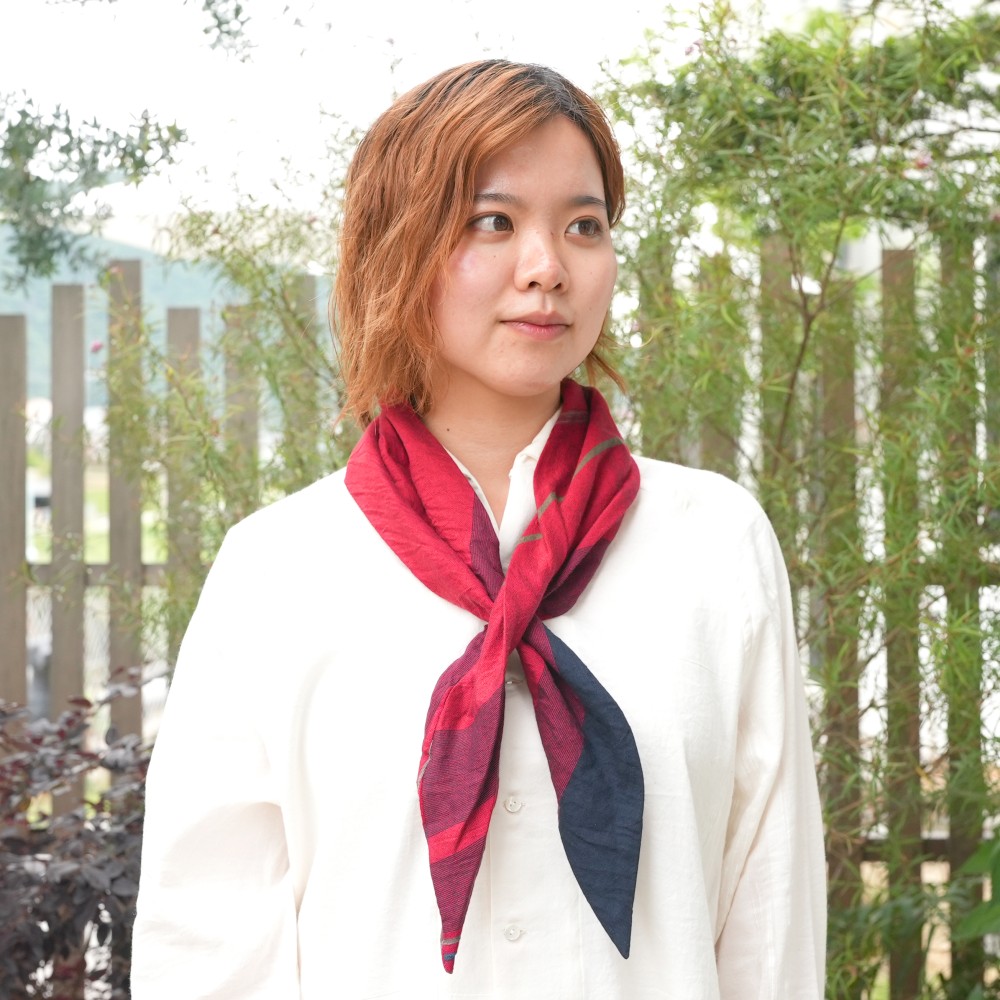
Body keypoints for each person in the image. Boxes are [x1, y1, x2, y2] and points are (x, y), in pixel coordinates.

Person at [131, 59, 826, 999]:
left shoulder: (714, 545)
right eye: (493, 221)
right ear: (398, 248)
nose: (548, 267)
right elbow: (211, 947)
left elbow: (768, 920)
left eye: (584, 225)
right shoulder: (280, 568)